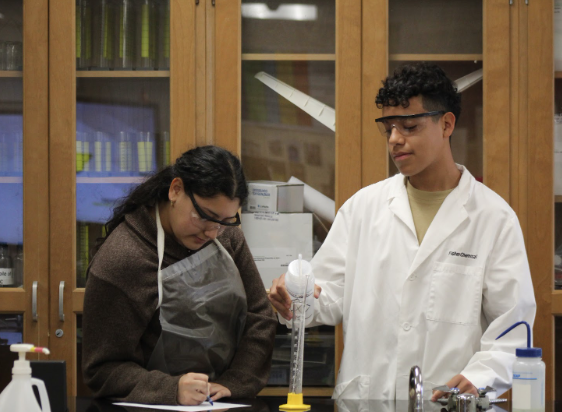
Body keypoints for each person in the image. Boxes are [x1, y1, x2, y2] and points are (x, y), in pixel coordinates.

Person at [269, 63, 536, 400]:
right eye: (389, 128)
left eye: (409, 126)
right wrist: (296, 297)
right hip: (367, 401)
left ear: (447, 124)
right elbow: (327, 295)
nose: (395, 139)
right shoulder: (362, 209)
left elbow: (512, 328)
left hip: (446, 401)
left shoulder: (494, 219)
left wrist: (480, 376)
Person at [82, 146, 276, 406]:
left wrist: (235, 381)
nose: (211, 232)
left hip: (219, 403)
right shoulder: (122, 260)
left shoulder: (225, 236)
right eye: (203, 217)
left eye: (225, 220)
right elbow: (102, 370)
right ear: (175, 190)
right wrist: (171, 389)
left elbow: (260, 317)